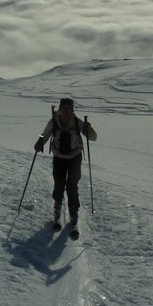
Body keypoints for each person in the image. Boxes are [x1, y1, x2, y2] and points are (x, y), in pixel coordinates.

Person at [33, 98, 97, 232]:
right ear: (59, 110)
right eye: (63, 109)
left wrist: (88, 129)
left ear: (72, 110)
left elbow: (93, 137)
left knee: (72, 184)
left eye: (69, 109)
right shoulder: (54, 121)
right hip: (59, 157)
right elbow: (44, 134)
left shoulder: (77, 122)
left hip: (75, 157)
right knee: (59, 183)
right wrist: (39, 142)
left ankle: (73, 210)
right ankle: (57, 206)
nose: (66, 112)